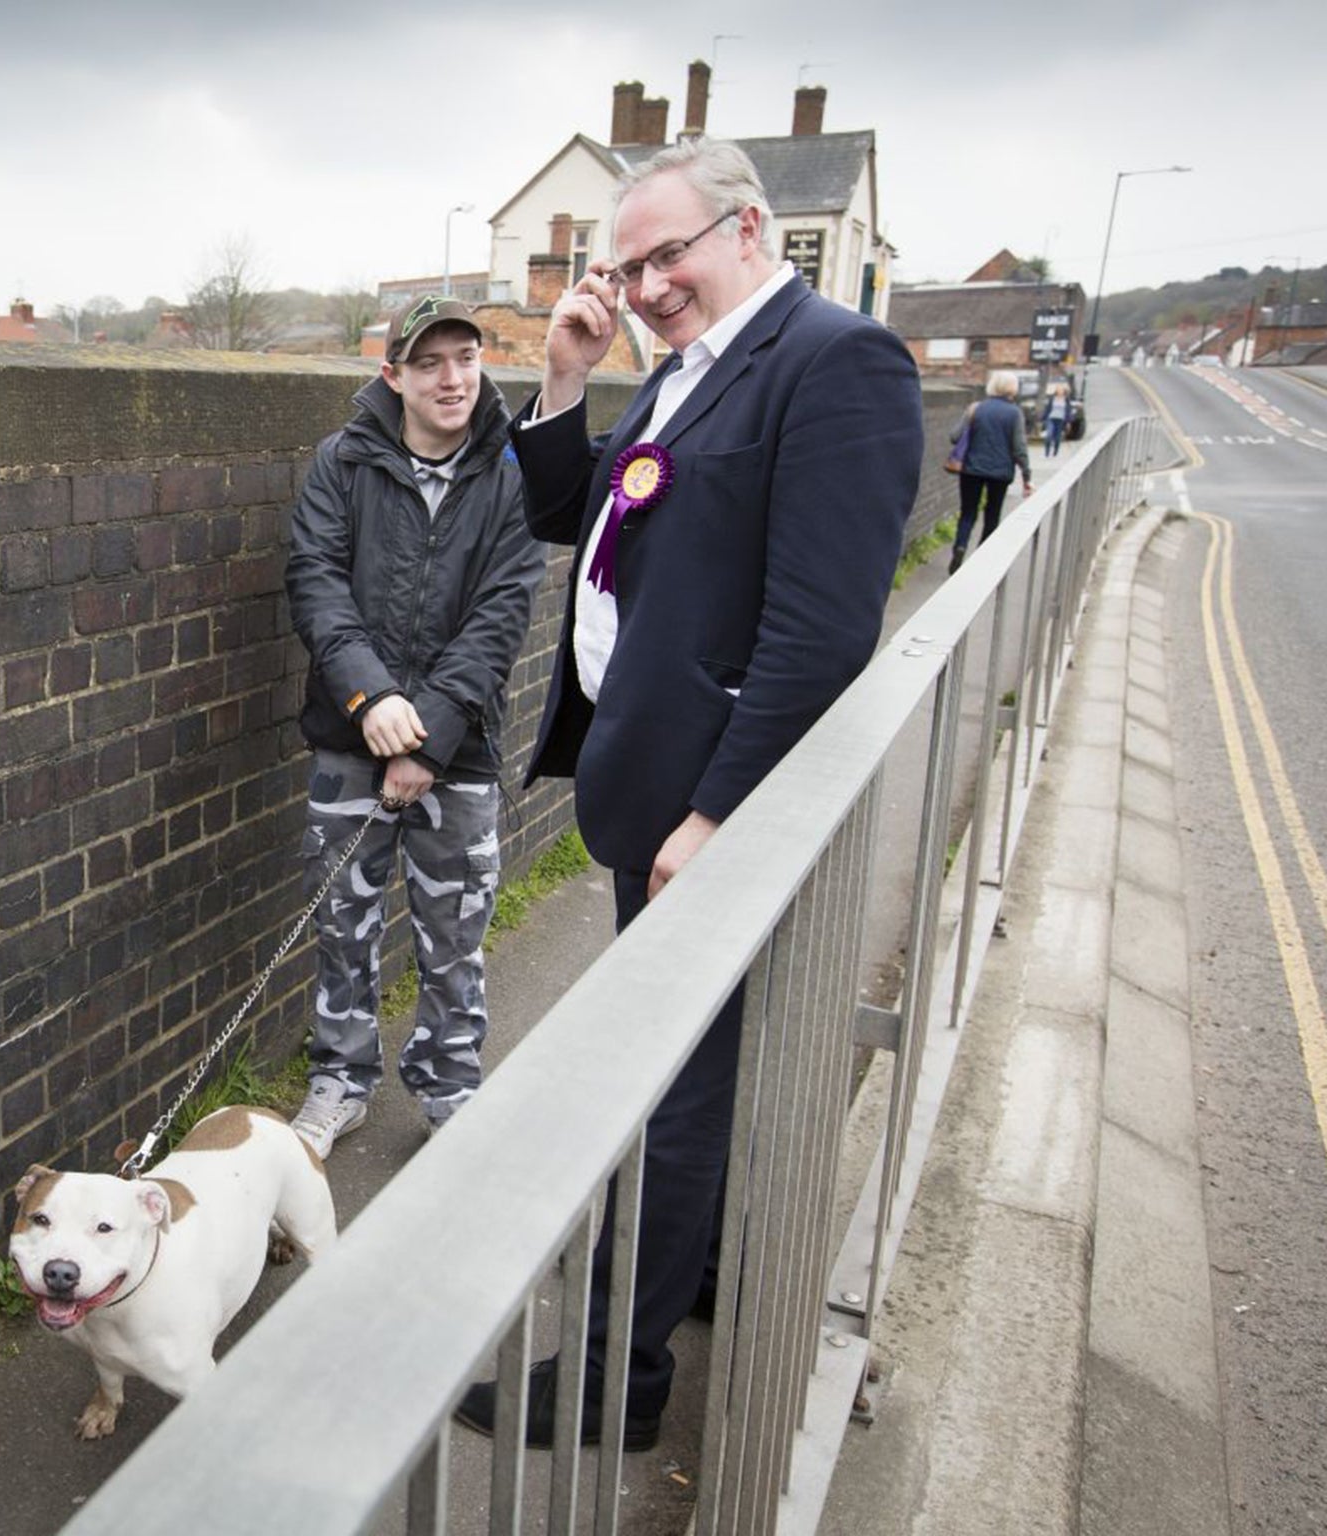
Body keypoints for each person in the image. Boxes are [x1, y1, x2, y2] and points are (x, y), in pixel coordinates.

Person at [453, 137, 922, 1452]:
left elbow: (823, 630)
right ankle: (695, 1271)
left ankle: (616, 1382)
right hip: (653, 789)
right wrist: (562, 374)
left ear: (751, 233)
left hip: (710, 810)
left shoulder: (832, 363)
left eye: (669, 255)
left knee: (672, 1089)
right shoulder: (685, 375)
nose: (648, 283)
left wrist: (717, 813)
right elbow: (576, 521)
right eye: (628, 264)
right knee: (686, 1075)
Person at [283, 295, 548, 1158]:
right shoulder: (343, 462)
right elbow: (317, 582)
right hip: (347, 742)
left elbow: (502, 612)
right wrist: (372, 701)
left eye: (465, 357)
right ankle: (340, 1081)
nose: (452, 378)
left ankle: (449, 1087)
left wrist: (426, 737)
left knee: (455, 935)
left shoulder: (510, 473)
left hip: (459, 751)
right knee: (343, 929)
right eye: (429, 361)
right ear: (391, 373)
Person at [948, 370, 1032, 571]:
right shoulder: (1014, 413)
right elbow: (1019, 447)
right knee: (992, 514)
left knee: (968, 512)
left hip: (971, 470)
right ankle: (981, 561)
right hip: (1000, 473)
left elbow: (954, 436)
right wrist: (1027, 476)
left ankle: (960, 546)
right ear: (1012, 388)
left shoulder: (976, 408)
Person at [1041, 379, 1071, 457]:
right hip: (1051, 418)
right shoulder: (1052, 399)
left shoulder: (1066, 400)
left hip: (1060, 419)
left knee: (1057, 437)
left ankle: (1055, 451)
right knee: (1049, 435)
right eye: (1058, 390)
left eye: (1061, 390)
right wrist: (1043, 418)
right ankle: (1047, 452)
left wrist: (1068, 421)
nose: (1059, 391)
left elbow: (1068, 410)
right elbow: (1048, 408)